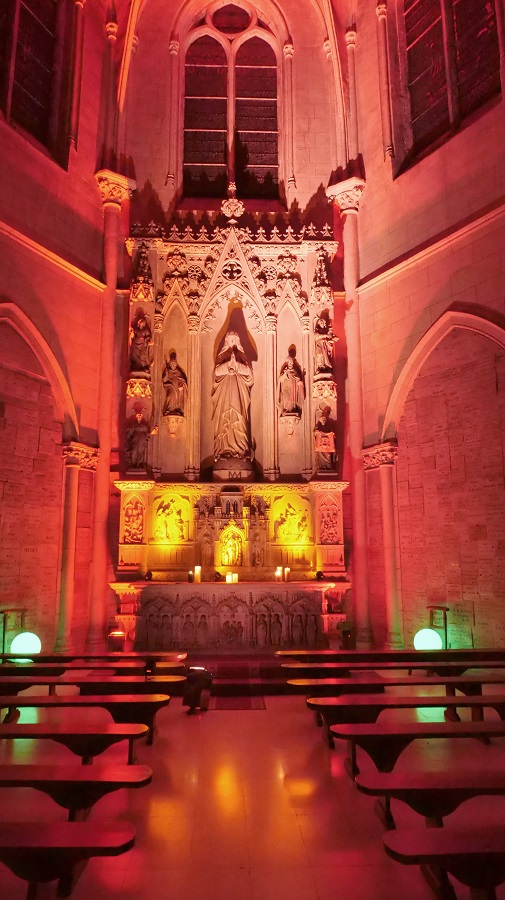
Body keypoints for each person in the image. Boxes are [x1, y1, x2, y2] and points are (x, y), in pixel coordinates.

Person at [212, 331, 254, 459]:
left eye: (234, 340)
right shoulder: (222, 356)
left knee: (239, 420)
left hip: (238, 393)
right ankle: (223, 450)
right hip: (224, 394)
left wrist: (236, 365)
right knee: (224, 422)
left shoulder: (241, 356)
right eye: (230, 340)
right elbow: (216, 373)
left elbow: (249, 374)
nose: (232, 342)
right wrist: (227, 365)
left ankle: (241, 449)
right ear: (226, 341)